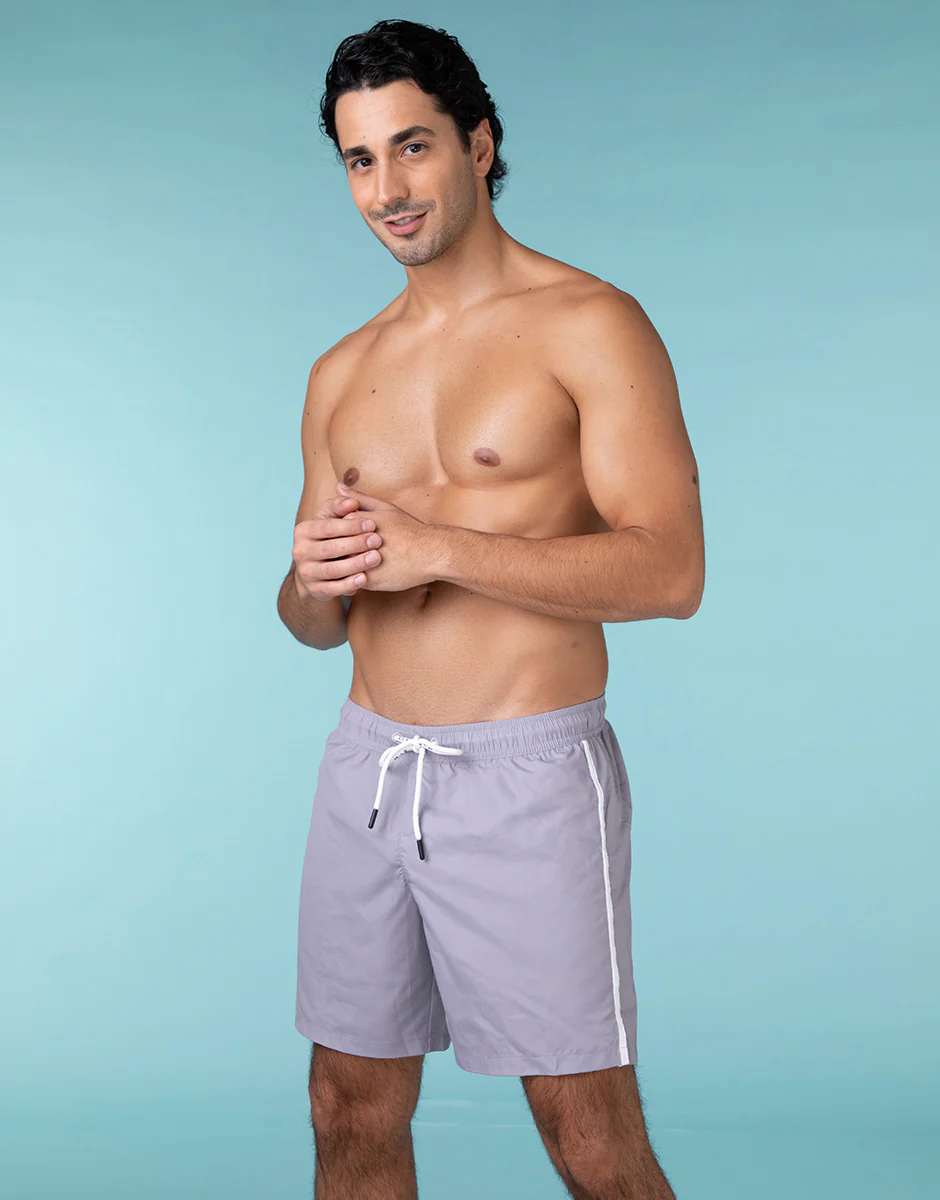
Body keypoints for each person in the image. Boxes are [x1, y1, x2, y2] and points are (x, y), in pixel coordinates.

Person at [276, 18, 703, 1199]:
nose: (387, 191)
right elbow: (311, 623)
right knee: (346, 1107)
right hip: (368, 771)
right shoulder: (338, 371)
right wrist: (311, 580)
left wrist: (438, 549)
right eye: (360, 160)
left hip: (526, 776)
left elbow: (669, 572)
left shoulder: (590, 324)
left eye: (412, 148)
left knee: (588, 1138)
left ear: (479, 143)